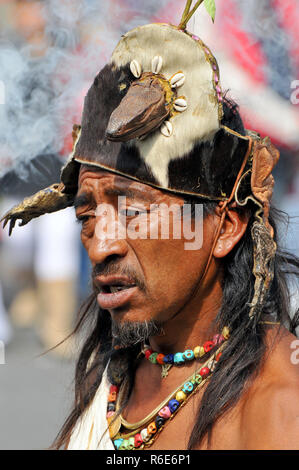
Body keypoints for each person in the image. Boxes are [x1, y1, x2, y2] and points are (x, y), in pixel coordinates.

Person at [2, 1, 299, 450]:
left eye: (134, 212)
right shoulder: (124, 369)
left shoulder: (278, 408)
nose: (101, 247)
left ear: (225, 227)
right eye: (86, 215)